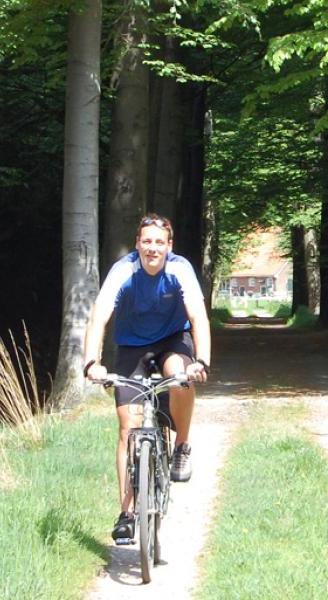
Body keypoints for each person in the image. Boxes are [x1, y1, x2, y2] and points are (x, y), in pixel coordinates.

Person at [83, 213, 211, 541]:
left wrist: (202, 361)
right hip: (131, 347)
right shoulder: (124, 270)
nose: (152, 248)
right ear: (137, 244)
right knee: (128, 428)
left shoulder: (179, 269)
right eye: (146, 242)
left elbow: (198, 316)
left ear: (169, 246)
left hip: (172, 340)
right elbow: (99, 316)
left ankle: (181, 444)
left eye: (159, 242)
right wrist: (91, 363)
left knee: (179, 375)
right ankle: (126, 513)